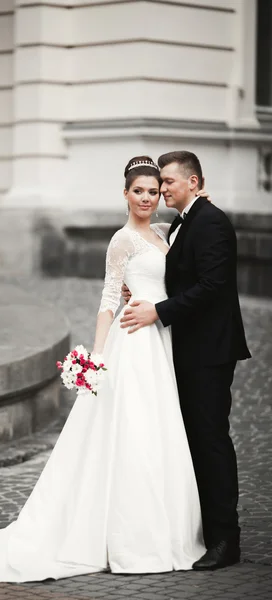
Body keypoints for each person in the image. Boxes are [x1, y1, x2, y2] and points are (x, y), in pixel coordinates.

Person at [0, 156, 207, 582]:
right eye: (138, 191)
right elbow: (109, 299)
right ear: (124, 194)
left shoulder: (166, 232)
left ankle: (167, 529)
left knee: (159, 430)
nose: (147, 197)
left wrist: (200, 197)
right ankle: (130, 538)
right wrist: (99, 357)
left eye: (153, 190)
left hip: (161, 342)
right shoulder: (121, 241)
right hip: (134, 342)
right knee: (133, 431)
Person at [120, 151, 251, 570]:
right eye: (158, 185)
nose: (162, 191)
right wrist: (141, 295)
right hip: (186, 348)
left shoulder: (210, 222)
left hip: (209, 351)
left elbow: (213, 285)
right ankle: (202, 531)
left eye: (169, 183)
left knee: (210, 440)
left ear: (192, 183)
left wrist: (158, 311)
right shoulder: (184, 220)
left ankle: (225, 540)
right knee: (191, 438)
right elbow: (175, 271)